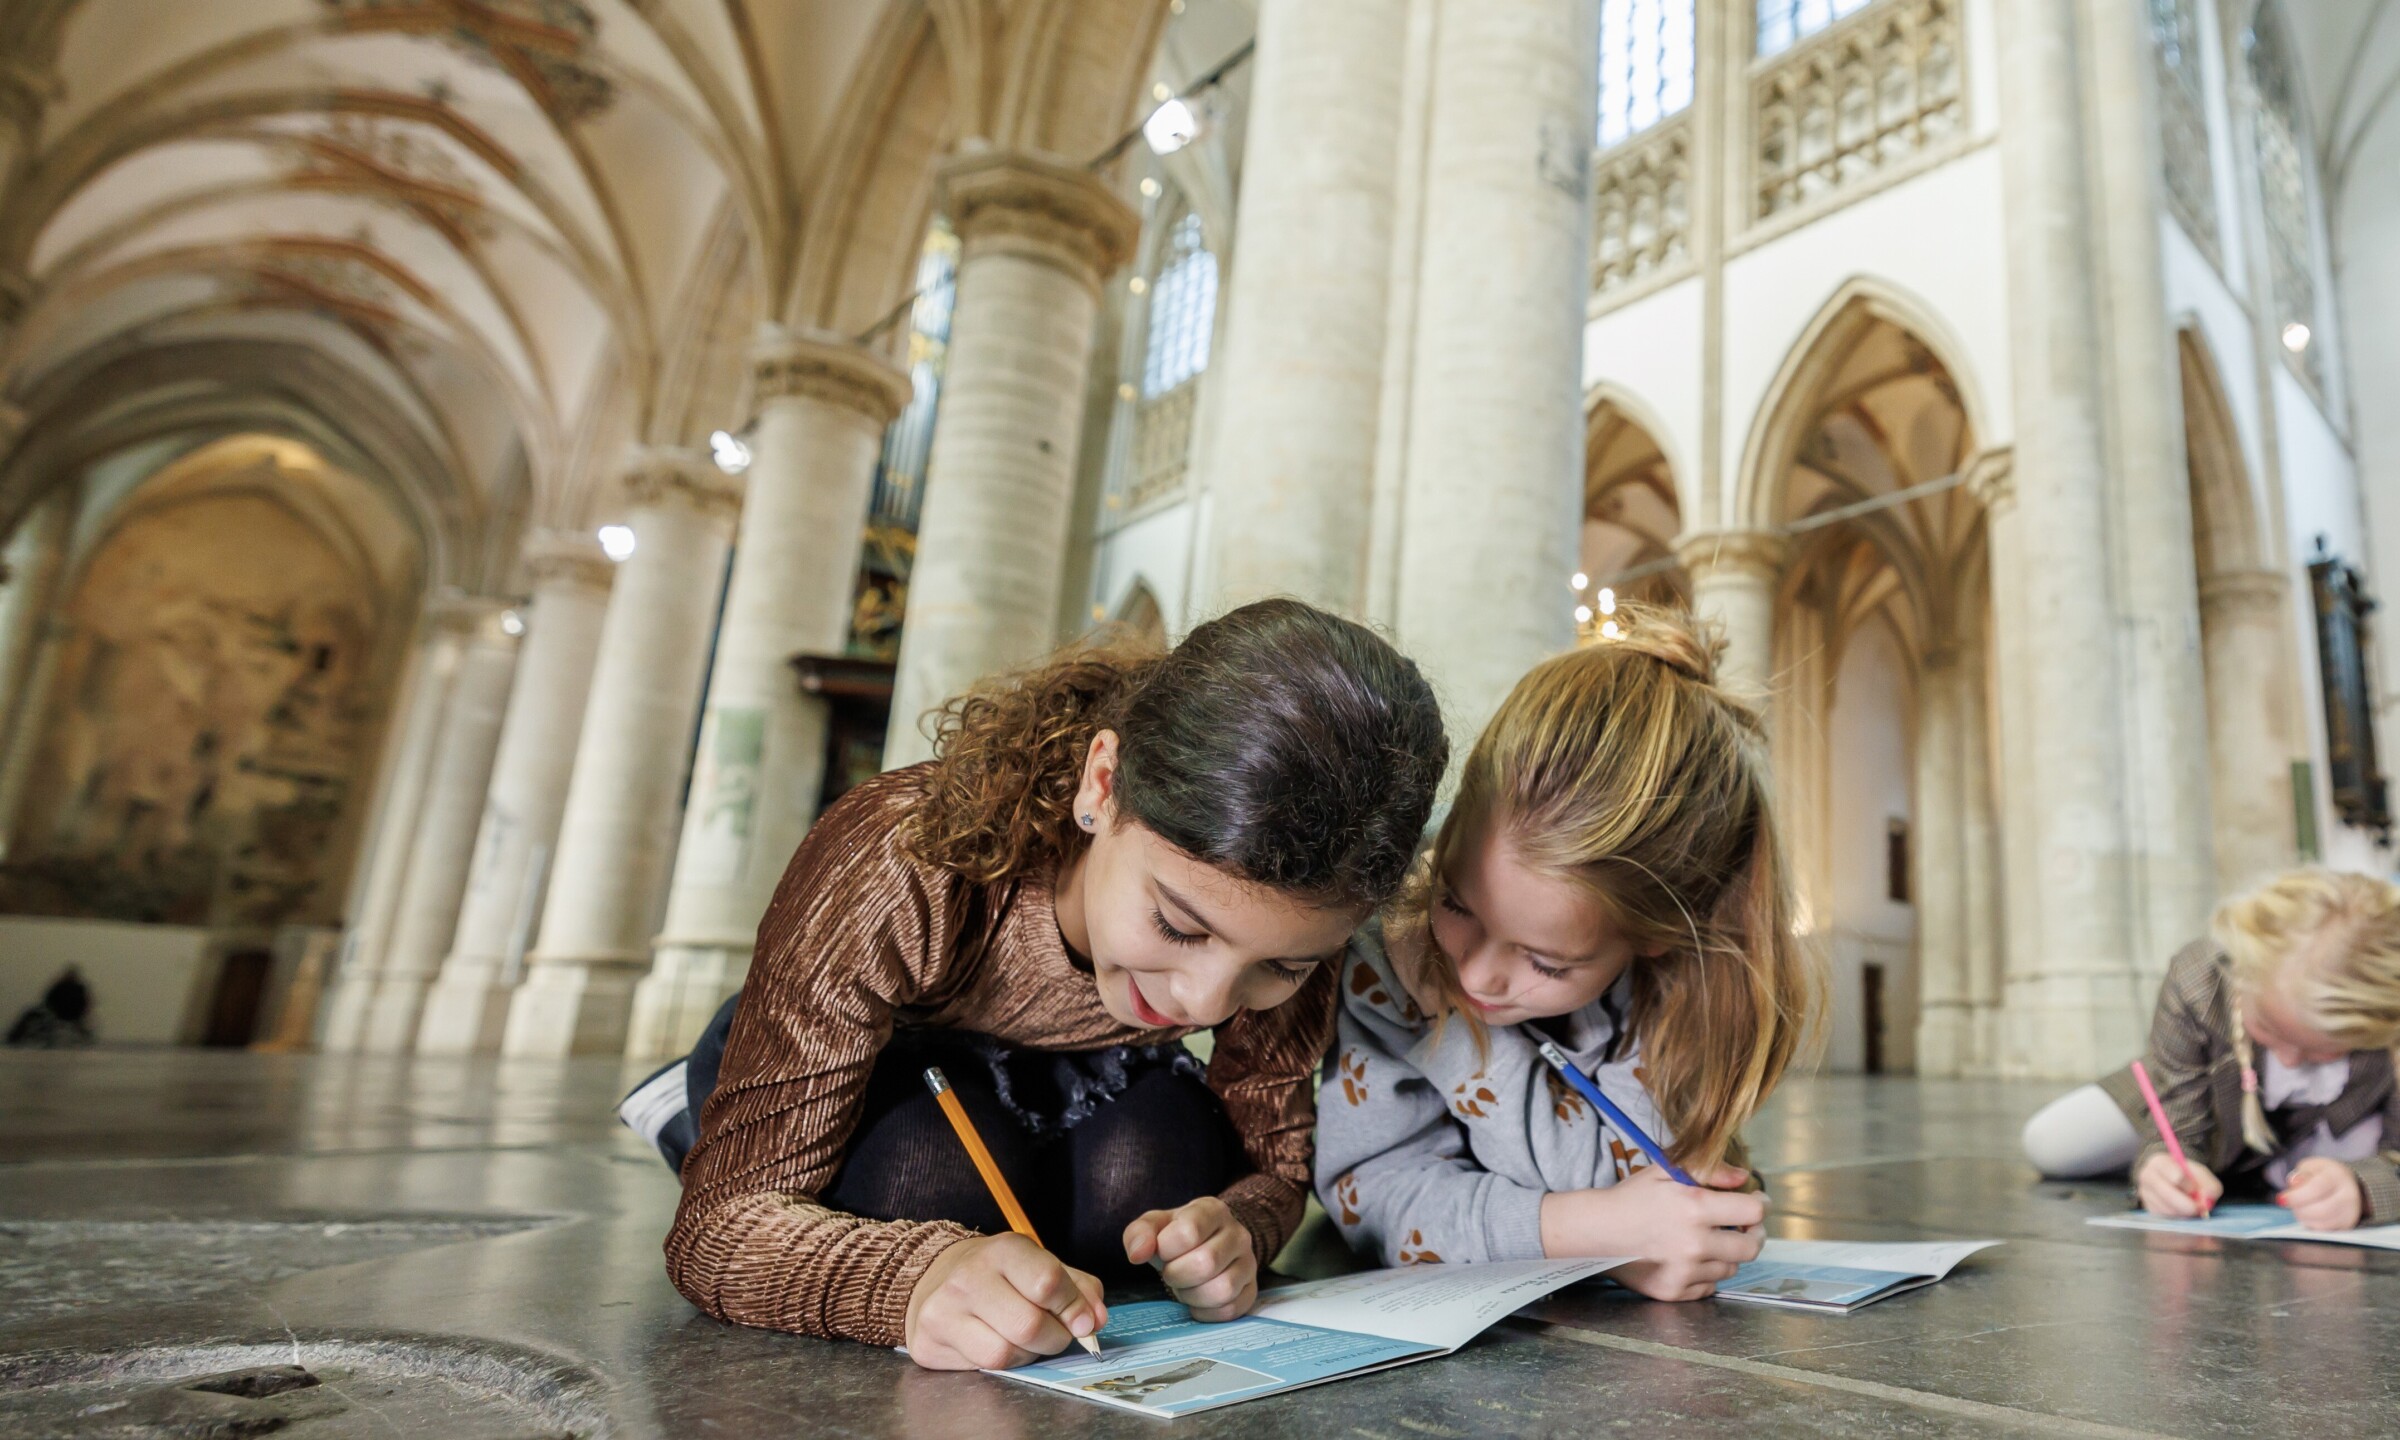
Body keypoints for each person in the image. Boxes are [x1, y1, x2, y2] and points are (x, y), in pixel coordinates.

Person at [649, 599, 1448, 1371]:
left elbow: (1275, 1168)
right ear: (1102, 783)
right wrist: (907, 1281)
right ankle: (707, 1117)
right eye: (1177, 925)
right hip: (894, 1066)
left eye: (1280, 968)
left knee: (1152, 1178)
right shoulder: (899, 854)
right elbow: (718, 1230)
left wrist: (1237, 1230)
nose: (1205, 1004)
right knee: (930, 1179)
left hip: (1090, 1081)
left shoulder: (1304, 918)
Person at [1314, 604, 1821, 1301]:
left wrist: (1666, 1223)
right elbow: (1368, 1198)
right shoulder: (1389, 956)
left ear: (1655, 938)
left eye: (1546, 963)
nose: (1475, 973)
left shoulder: (1687, 993)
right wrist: (1594, 1233)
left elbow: (1644, 1181)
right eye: (1456, 903)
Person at [2020, 869, 2400, 1231]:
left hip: (2347, 1118)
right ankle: (2263, 1165)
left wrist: (2363, 1189)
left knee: (2346, 1178)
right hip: (2199, 1083)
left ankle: (2285, 1166)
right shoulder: (2201, 979)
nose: (2289, 1061)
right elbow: (2178, 1123)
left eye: (2320, 1050)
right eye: (2268, 1029)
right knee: (2053, 1143)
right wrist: (2164, 1166)